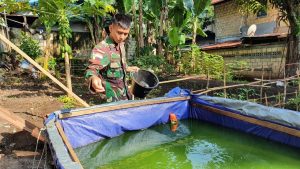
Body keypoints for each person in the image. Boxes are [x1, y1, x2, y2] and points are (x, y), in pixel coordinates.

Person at [85, 14, 139, 103]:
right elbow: (92, 69)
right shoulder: (102, 48)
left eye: (125, 34)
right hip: (110, 99)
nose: (122, 37)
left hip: (123, 94)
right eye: (119, 32)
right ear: (111, 28)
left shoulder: (120, 44)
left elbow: (115, 63)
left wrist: (127, 68)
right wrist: (93, 78)